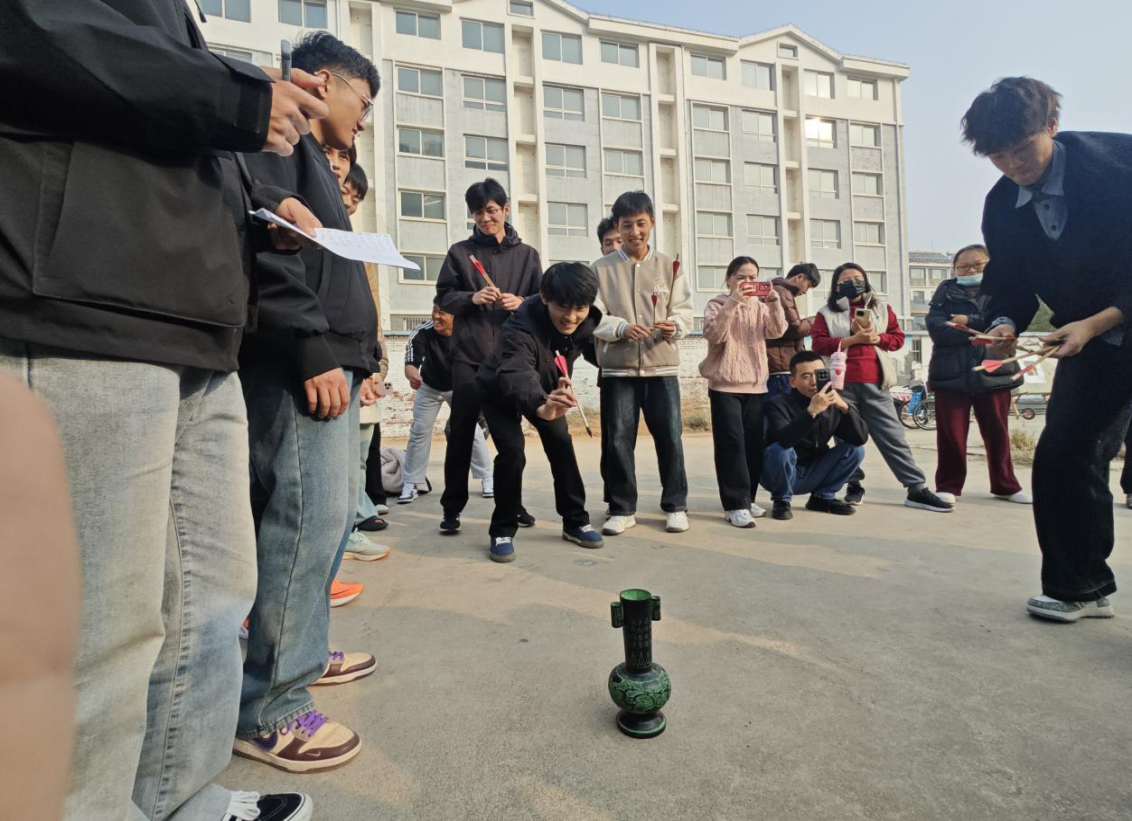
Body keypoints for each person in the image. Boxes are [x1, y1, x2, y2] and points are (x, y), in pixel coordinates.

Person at [0, 3, 326, 818]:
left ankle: (180, 799)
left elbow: (154, 125)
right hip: (78, 307)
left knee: (207, 608)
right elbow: (38, 36)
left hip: (192, 327)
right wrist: (238, 97)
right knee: (93, 639)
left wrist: (256, 210)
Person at [235, 32, 381, 774]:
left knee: (326, 525)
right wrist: (308, 344)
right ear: (326, 81)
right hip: (305, 361)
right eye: (364, 100)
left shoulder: (318, 158)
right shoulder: (279, 133)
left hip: (335, 356)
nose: (364, 118)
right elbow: (269, 243)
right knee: (304, 520)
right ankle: (270, 707)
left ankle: (303, 654)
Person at [964, 77, 1132, 622]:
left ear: (1052, 126)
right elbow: (1008, 281)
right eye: (998, 155)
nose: (1013, 164)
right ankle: (1079, 585)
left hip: (1105, 320)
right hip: (1089, 340)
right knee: (1063, 454)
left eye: (1021, 148)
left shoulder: (1119, 167)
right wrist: (1004, 322)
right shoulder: (1001, 205)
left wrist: (1100, 320)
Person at [477, 263, 606, 561]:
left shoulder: (587, 320)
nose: (571, 317)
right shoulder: (519, 326)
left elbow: (596, 351)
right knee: (513, 452)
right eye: (563, 307)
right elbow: (516, 371)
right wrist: (541, 406)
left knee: (561, 445)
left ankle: (575, 522)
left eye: (580, 308)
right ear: (545, 296)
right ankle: (502, 528)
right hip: (500, 390)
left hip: (549, 390)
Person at [436, 179, 543, 533]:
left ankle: (513, 504)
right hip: (469, 357)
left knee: (511, 440)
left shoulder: (527, 255)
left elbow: (543, 301)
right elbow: (444, 296)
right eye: (478, 212)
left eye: (492, 210)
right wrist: (472, 298)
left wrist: (522, 302)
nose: (485, 218)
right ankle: (451, 508)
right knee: (461, 433)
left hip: (510, 361)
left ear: (505, 209)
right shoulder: (460, 253)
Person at [812, 263, 953, 513]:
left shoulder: (881, 309)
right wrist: (852, 339)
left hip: (876, 383)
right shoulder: (826, 313)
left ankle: (916, 488)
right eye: (845, 280)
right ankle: (854, 485)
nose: (852, 283)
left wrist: (877, 338)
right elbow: (819, 344)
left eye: (857, 278)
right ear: (836, 286)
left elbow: (897, 339)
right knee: (847, 439)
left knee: (893, 436)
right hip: (842, 386)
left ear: (866, 281)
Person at [593, 191, 694, 534]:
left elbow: (684, 311)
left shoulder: (670, 266)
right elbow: (592, 316)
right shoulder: (601, 269)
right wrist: (620, 328)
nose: (634, 232)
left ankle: (676, 506)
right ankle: (622, 509)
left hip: (661, 366)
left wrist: (675, 325)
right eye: (627, 225)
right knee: (619, 440)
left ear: (652, 222)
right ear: (617, 227)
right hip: (618, 369)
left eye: (640, 223)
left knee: (670, 438)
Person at [926, 244, 1031, 505]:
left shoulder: (1002, 290)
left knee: (998, 433)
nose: (970, 270)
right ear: (954, 269)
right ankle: (948, 485)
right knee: (950, 434)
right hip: (951, 374)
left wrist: (967, 322)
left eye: (978, 265)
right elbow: (937, 329)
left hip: (993, 370)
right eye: (963, 266)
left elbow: (1007, 323)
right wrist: (985, 331)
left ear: (990, 265)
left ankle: (1005, 485)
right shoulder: (944, 292)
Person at [699, 256, 788, 528]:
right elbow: (715, 335)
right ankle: (734, 505)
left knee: (752, 446)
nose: (747, 282)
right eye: (741, 277)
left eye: (753, 277)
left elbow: (777, 331)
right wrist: (733, 302)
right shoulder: (717, 304)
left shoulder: (760, 307)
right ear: (729, 279)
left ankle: (747, 499)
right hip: (725, 385)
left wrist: (774, 302)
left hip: (756, 385)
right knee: (731, 445)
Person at [399, 300, 494, 504]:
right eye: (434, 311)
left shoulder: (468, 333)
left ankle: (487, 478)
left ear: (455, 315)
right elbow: (410, 363)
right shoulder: (422, 331)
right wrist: (412, 375)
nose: (436, 316)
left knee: (472, 431)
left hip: (460, 387)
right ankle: (411, 483)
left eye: (442, 313)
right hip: (429, 387)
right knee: (419, 431)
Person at [762, 351, 869, 519]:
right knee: (780, 450)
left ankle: (822, 498)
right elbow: (785, 440)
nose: (813, 381)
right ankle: (781, 501)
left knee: (855, 450)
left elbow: (860, 438)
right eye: (806, 376)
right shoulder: (777, 404)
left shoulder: (832, 404)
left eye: (819, 374)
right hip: (781, 473)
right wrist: (811, 412)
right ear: (793, 382)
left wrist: (845, 407)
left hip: (815, 471)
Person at [766, 263, 821, 398]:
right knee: (781, 407)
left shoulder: (781, 291)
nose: (806, 291)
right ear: (799, 277)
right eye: (808, 285)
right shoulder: (781, 291)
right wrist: (818, 319)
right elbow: (794, 328)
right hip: (780, 367)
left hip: (780, 365)